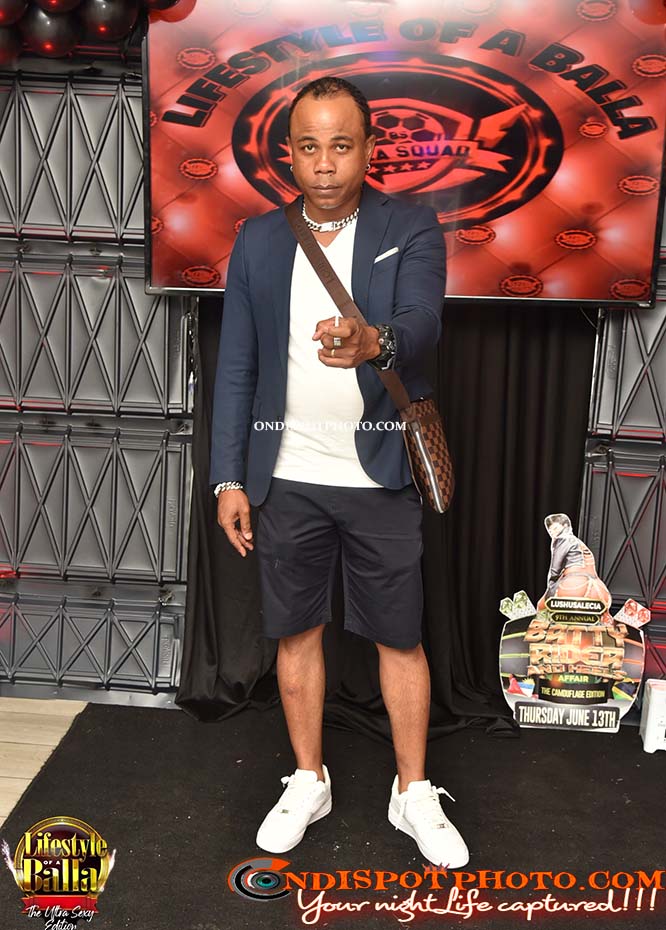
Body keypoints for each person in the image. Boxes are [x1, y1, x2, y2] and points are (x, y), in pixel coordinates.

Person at [209, 76, 468, 868]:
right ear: (289, 154)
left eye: (342, 145)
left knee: (400, 637)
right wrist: (228, 478)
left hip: (380, 469)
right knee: (295, 632)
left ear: (369, 149)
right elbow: (238, 366)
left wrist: (375, 342)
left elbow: (423, 323)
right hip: (285, 474)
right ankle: (308, 779)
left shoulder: (409, 226)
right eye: (309, 146)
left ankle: (413, 791)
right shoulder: (258, 240)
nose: (325, 163)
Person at [537, 513, 612, 612]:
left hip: (573, 580)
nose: (552, 533)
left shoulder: (561, 539)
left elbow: (555, 569)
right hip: (597, 584)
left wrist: (550, 588)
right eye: (550, 531)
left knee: (541, 606)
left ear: (565, 526)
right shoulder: (578, 542)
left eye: (555, 528)